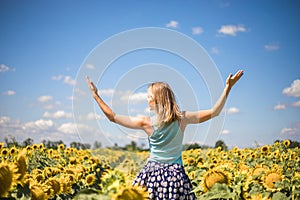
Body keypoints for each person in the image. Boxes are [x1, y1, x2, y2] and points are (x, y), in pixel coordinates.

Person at [86, 69, 243, 200]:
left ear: (156, 100)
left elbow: (112, 117)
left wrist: (95, 96)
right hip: (176, 177)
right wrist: (227, 88)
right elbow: (215, 112)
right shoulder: (183, 118)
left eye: (149, 97)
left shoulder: (145, 122)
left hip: (151, 174)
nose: (147, 101)